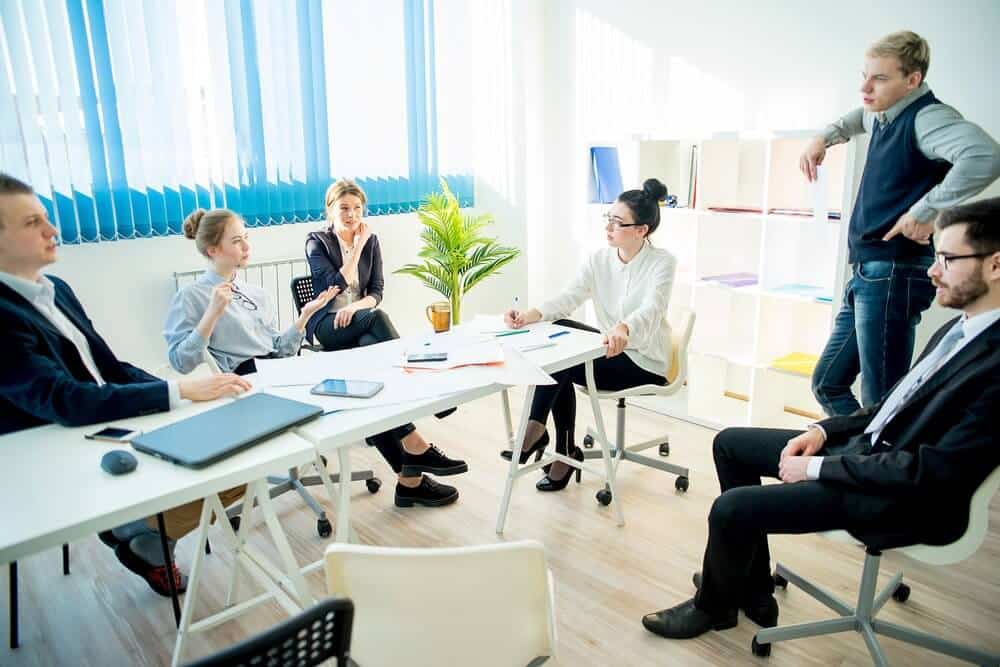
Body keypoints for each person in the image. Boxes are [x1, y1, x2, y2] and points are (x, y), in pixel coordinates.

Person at [641, 198, 1000, 641]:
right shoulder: (961, 329)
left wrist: (816, 467)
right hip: (868, 456)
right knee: (729, 442)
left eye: (946, 258)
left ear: (995, 265)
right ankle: (752, 590)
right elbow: (892, 406)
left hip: (899, 495)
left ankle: (715, 607)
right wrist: (823, 429)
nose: (932, 269)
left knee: (731, 510)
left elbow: (930, 474)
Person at [0, 173, 252, 597]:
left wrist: (177, 395)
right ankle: (141, 532)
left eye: (46, 217)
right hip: (52, 447)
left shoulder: (56, 289)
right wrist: (181, 391)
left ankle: (147, 535)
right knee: (224, 464)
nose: (52, 230)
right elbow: (64, 400)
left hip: (104, 419)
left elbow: (108, 366)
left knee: (242, 456)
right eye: (31, 224)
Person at [165, 206, 468, 508]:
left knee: (364, 384)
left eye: (246, 237)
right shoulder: (193, 296)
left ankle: (410, 473)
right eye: (237, 241)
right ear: (212, 249)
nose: (246, 246)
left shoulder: (255, 293)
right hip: (251, 382)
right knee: (357, 393)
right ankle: (413, 459)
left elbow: (280, 347)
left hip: (282, 368)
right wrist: (212, 314)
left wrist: (303, 318)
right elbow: (182, 360)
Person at [800, 30, 1000, 417]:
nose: (865, 87)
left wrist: (925, 211)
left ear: (913, 80)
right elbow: (857, 117)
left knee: (883, 403)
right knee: (828, 382)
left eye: (879, 78)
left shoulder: (927, 117)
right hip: (868, 272)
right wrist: (823, 138)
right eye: (864, 75)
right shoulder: (881, 114)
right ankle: (857, 458)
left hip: (893, 271)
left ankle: (866, 469)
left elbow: (985, 156)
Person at [499, 179, 676, 491]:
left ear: (641, 230)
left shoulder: (662, 263)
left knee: (562, 361)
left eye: (617, 222)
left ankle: (547, 439)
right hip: (608, 347)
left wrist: (624, 328)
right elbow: (569, 297)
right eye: (608, 218)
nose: (608, 227)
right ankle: (551, 441)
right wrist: (529, 315)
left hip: (642, 359)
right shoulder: (600, 259)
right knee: (560, 332)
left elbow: (653, 308)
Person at [304, 179, 400, 351]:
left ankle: (399, 371)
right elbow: (337, 284)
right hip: (327, 322)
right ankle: (407, 361)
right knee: (377, 317)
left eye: (357, 207)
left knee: (369, 343)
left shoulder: (371, 241)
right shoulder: (316, 242)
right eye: (344, 208)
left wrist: (353, 307)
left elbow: (376, 292)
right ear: (331, 210)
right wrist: (357, 247)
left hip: (358, 315)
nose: (352, 214)